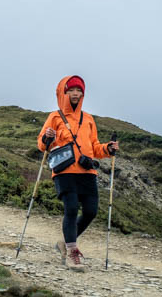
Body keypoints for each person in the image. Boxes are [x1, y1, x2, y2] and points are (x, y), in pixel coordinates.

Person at [37, 75, 118, 271]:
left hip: (87, 171)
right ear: (64, 93)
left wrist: (108, 148)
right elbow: (42, 145)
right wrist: (48, 138)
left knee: (91, 211)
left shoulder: (88, 119)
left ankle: (65, 243)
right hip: (64, 171)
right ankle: (72, 252)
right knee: (71, 208)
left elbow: (95, 147)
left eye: (79, 91)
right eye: (71, 90)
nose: (75, 94)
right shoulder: (54, 117)